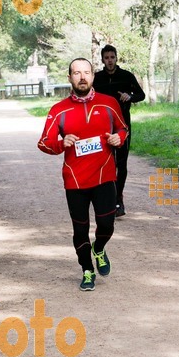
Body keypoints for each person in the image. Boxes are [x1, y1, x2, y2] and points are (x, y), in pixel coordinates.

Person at [38, 58, 129, 291]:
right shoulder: (59, 110)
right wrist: (61, 143)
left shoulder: (109, 104)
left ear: (93, 76)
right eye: (76, 73)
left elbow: (122, 128)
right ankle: (87, 270)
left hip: (105, 176)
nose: (82, 77)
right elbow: (44, 143)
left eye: (86, 72)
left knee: (106, 225)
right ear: (69, 78)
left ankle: (99, 248)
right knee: (80, 230)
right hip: (75, 181)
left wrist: (119, 138)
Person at [93, 44, 145, 217]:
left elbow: (141, 95)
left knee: (121, 164)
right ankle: (106, 199)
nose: (110, 61)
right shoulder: (97, 78)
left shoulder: (126, 76)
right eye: (106, 58)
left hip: (122, 126)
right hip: (102, 128)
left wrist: (130, 96)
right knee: (106, 163)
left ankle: (118, 200)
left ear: (116, 58)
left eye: (112, 57)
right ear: (102, 60)